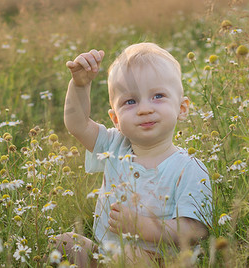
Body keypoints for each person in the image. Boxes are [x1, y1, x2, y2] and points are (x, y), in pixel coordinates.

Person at [55, 43, 211, 266]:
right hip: (106, 255)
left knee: (130, 257)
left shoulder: (189, 168)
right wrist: (80, 85)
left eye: (158, 96)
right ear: (116, 119)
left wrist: (144, 226)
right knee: (63, 242)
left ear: (182, 108)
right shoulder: (113, 145)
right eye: (130, 101)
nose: (144, 109)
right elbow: (77, 125)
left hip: (159, 260)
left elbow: (196, 230)